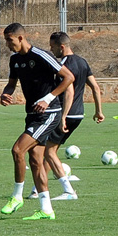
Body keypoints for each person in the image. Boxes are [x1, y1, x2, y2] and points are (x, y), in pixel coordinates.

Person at [0, 23, 74, 220]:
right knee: (35, 160)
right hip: (32, 114)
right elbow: (11, 84)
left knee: (17, 150)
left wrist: (48, 98)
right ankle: (46, 209)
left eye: (9, 40)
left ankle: (16, 197)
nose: (7, 44)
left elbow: (69, 77)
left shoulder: (41, 55)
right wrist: (6, 93)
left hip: (49, 113)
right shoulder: (15, 60)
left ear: (21, 38)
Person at [28, 32, 105, 201]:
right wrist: (98, 111)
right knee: (51, 150)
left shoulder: (62, 64)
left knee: (48, 151)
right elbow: (95, 87)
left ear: (61, 47)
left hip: (64, 114)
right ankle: (37, 188)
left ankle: (68, 190)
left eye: (53, 47)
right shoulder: (82, 62)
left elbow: (69, 91)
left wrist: (63, 116)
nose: (51, 50)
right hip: (78, 114)